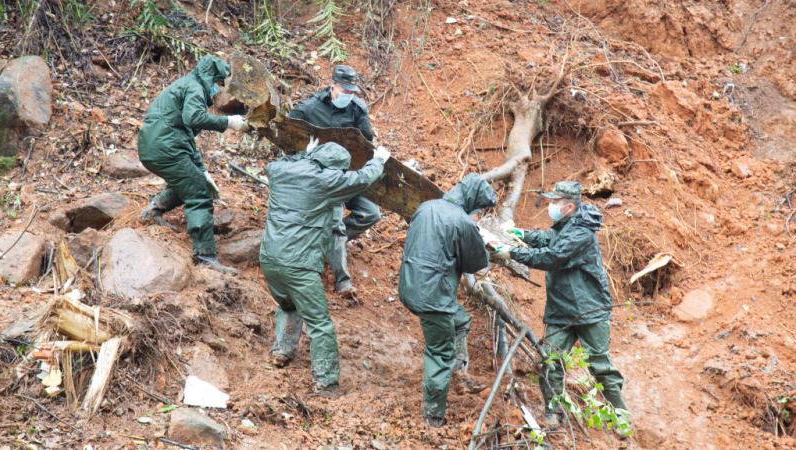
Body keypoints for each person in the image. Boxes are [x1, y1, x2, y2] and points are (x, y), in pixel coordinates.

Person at [259, 140, 390, 394]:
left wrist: (305, 154)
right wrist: (379, 160)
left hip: (269, 258)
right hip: (299, 264)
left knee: (288, 305)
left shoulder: (280, 170)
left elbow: (276, 163)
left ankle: (282, 351)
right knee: (320, 324)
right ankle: (326, 383)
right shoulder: (326, 181)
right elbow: (362, 179)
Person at [495, 181, 627, 428]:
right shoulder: (567, 225)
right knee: (550, 360)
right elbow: (549, 238)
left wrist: (512, 253)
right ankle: (553, 412)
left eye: (555, 202)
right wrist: (523, 235)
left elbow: (553, 256)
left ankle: (620, 417)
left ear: (569, 207)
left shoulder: (581, 233)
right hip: (560, 310)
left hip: (589, 310)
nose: (551, 205)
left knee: (600, 366)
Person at [398, 173, 498, 427]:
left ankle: (459, 373)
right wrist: (484, 245)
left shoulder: (426, 207)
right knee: (439, 352)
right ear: (473, 202)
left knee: (460, 320)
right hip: (434, 297)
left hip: (410, 285)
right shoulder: (463, 222)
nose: (479, 214)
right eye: (480, 210)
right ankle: (433, 416)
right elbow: (475, 264)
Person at [137, 55, 247, 274]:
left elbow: (186, 136)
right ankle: (205, 256)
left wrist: (203, 171)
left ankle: (153, 211)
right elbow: (194, 118)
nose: (217, 90)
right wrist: (229, 122)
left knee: (190, 180)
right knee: (198, 193)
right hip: (165, 148)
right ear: (210, 77)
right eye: (217, 83)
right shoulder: (195, 88)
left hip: (155, 147)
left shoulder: (186, 85)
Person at [288, 65, 378, 296]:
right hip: (322, 178)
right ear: (332, 87)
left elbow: (367, 144)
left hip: (348, 174)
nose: (348, 95)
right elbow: (288, 137)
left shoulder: (357, 110)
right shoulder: (309, 108)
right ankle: (342, 281)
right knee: (336, 224)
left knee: (370, 213)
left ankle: (328, 245)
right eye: (344, 90)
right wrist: (305, 158)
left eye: (352, 91)